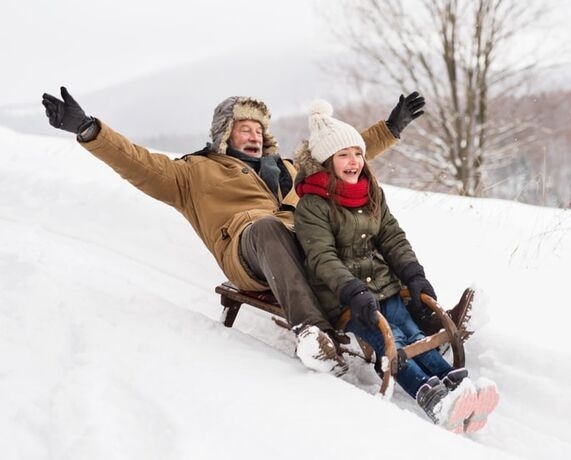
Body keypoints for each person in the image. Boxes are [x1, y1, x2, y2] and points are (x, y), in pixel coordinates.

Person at [41, 86, 426, 376]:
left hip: (305, 244)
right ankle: (312, 332)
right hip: (249, 249)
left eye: (259, 129)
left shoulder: (290, 168)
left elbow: (342, 156)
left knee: (351, 224)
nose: (255, 135)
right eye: (244, 128)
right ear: (224, 133)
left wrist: (391, 128)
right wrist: (90, 129)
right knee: (268, 227)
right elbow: (137, 163)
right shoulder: (193, 172)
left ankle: (417, 308)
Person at [292, 100, 499, 433]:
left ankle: (455, 385)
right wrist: (351, 289)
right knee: (395, 344)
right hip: (347, 299)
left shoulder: (370, 193)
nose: (354, 161)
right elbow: (322, 258)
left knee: (414, 333)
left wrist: (414, 275)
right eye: (343, 155)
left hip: (384, 288)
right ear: (326, 162)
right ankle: (428, 395)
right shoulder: (312, 206)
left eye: (357, 153)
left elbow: (392, 238)